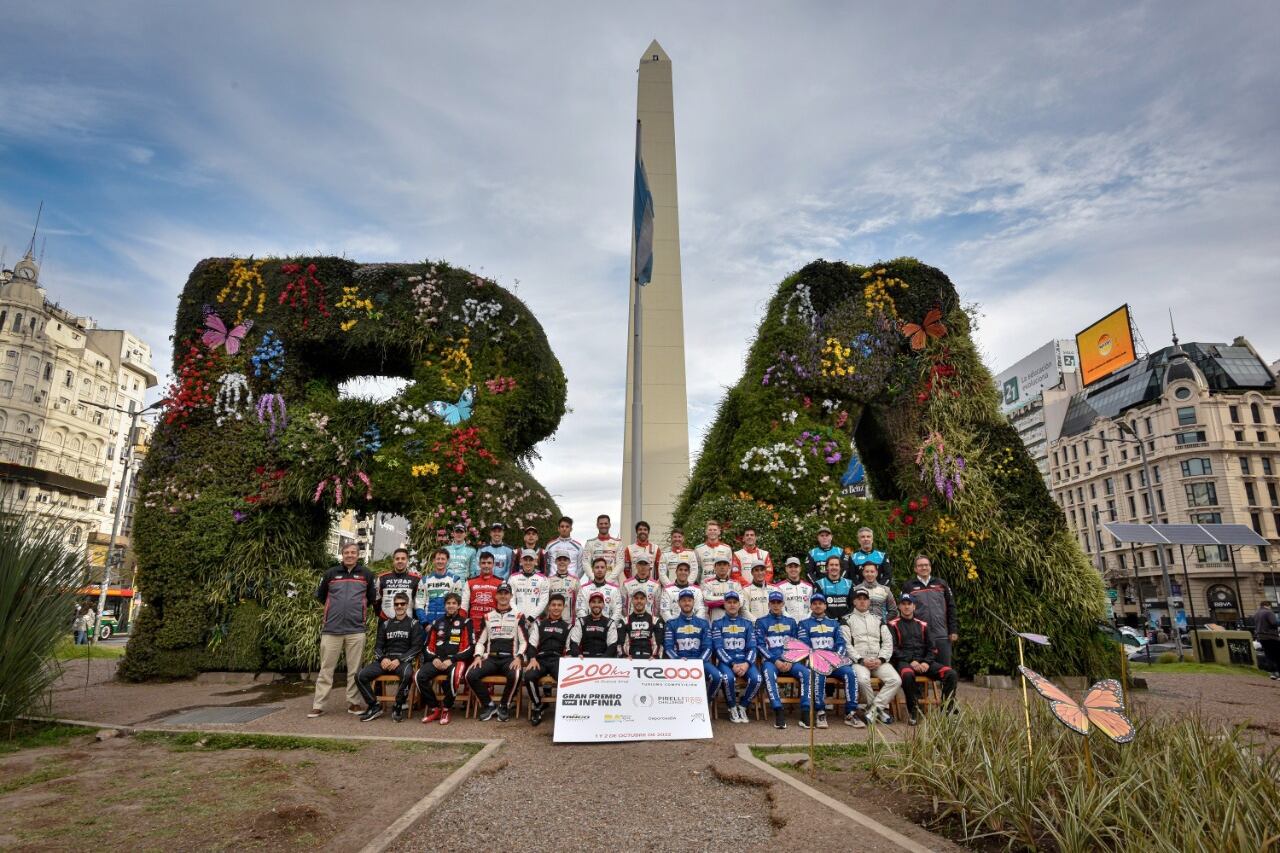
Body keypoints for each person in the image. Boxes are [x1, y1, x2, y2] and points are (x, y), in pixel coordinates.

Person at [310, 543, 377, 718]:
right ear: (342, 554)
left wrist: (357, 611)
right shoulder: (331, 573)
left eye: (353, 552)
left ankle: (353, 704)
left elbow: (370, 599)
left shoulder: (367, 575)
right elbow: (321, 596)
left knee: (354, 670)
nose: (349, 555)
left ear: (358, 555)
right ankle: (318, 705)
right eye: (346, 552)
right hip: (331, 629)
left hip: (356, 629)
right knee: (326, 669)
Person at [889, 593, 957, 724]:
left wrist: (926, 662)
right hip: (904, 662)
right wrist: (910, 661)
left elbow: (932, 648)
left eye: (909, 604)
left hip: (925, 662)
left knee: (951, 674)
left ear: (914, 607)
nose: (907, 607)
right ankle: (914, 711)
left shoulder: (923, 625)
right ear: (899, 606)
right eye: (904, 604)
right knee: (907, 675)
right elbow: (893, 649)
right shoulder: (892, 625)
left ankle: (947, 710)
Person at [356, 593, 423, 722]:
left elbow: (416, 648)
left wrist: (400, 660)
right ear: (393, 605)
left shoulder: (414, 624)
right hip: (385, 661)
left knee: (408, 674)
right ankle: (374, 705)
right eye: (396, 604)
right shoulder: (385, 624)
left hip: (402, 661)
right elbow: (378, 647)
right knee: (360, 675)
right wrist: (383, 659)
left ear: (407, 605)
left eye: (402, 604)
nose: (399, 606)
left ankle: (398, 705)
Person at [466, 583, 529, 722]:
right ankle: (488, 705)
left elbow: (524, 642)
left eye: (506, 593)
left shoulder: (519, 616)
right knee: (470, 674)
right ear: (496, 595)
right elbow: (481, 642)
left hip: (510, 659)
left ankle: (504, 705)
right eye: (500, 593)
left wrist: (519, 657)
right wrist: (477, 657)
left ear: (511, 596)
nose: (503, 596)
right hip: (491, 659)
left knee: (517, 674)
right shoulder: (487, 616)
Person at [798, 593, 860, 728]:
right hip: (816, 662)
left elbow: (841, 644)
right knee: (819, 673)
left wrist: (834, 659)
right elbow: (805, 647)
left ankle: (851, 712)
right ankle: (820, 711)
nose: (818, 606)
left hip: (834, 662)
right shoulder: (804, 624)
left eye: (820, 603)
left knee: (850, 673)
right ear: (811, 606)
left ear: (825, 606)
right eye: (815, 603)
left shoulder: (834, 623)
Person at [843, 588, 900, 725]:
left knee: (896, 680)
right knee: (862, 680)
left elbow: (888, 642)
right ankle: (876, 711)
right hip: (859, 661)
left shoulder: (879, 620)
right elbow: (846, 645)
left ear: (869, 602)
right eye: (859, 599)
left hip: (878, 660)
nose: (862, 602)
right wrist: (861, 660)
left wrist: (881, 659)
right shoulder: (846, 620)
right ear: (854, 602)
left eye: (865, 599)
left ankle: (874, 709)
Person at [418, 592, 472, 725]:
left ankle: (446, 708)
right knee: (418, 676)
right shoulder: (437, 623)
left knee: (455, 675)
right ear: (444, 606)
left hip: (455, 661)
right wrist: (434, 658)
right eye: (448, 603)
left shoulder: (466, 622)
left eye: (454, 603)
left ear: (459, 605)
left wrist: (452, 660)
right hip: (437, 660)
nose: (451, 606)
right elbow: (426, 646)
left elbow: (470, 648)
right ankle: (435, 708)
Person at [756, 590, 808, 729]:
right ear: (769, 604)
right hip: (772, 662)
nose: (776, 605)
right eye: (773, 602)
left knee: (807, 673)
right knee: (767, 673)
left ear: (783, 604)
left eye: (778, 602)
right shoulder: (761, 622)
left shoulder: (791, 622)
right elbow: (760, 646)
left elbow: (798, 645)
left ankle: (805, 711)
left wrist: (790, 660)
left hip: (790, 661)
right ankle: (778, 710)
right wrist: (775, 661)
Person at [899, 555, 958, 666]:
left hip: (941, 634)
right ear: (915, 569)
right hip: (919, 636)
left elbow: (951, 607)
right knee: (921, 670)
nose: (924, 568)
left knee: (945, 670)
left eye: (926, 565)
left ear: (930, 567)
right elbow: (903, 610)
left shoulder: (941, 584)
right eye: (920, 565)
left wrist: (953, 630)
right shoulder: (908, 586)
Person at [712, 591, 761, 723]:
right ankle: (732, 707)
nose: (732, 605)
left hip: (745, 661)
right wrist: (732, 664)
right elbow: (718, 648)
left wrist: (746, 664)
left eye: (735, 602)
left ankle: (743, 706)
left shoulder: (748, 624)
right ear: (724, 604)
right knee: (727, 679)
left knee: (757, 678)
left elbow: (752, 647)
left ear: (739, 604)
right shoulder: (717, 624)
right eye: (729, 602)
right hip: (726, 662)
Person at [663, 589, 721, 700]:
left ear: (693, 602)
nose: (687, 603)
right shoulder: (671, 624)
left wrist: (699, 661)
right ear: (679, 603)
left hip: (700, 661)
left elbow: (708, 647)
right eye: (683, 600)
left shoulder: (703, 623)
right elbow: (668, 648)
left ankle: (706, 702)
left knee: (717, 677)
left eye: (689, 600)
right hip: (679, 662)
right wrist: (678, 660)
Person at [523, 593, 570, 725]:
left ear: (563, 607)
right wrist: (532, 659)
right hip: (541, 660)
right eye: (553, 605)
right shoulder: (540, 624)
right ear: (549, 607)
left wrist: (567, 659)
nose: (556, 608)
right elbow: (532, 644)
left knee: (567, 678)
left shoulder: (568, 627)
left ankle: (564, 709)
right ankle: (538, 706)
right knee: (529, 676)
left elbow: (570, 648)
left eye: (559, 605)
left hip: (558, 660)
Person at [419, 547, 464, 626]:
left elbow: (457, 604)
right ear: (433, 561)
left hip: (448, 623)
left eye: (443, 559)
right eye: (438, 559)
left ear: (447, 561)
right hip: (428, 622)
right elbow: (419, 604)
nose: (440, 561)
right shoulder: (424, 580)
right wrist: (425, 623)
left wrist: (452, 622)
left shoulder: (455, 580)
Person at [461, 552, 503, 637]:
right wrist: (462, 623)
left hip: (493, 624)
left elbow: (504, 606)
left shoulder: (501, 582)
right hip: (474, 625)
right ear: (479, 564)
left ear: (493, 564)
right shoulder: (469, 582)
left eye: (489, 563)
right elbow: (464, 606)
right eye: (483, 563)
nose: (486, 565)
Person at [376, 547, 423, 622]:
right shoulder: (382, 578)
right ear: (393, 560)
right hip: (385, 621)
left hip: (408, 622)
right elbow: (377, 600)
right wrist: (381, 615)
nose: (400, 561)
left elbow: (419, 602)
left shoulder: (416, 579)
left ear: (407, 560)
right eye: (397, 559)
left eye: (403, 559)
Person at [568, 592, 619, 656]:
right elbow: (574, 642)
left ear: (603, 605)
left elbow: (612, 645)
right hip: (584, 659)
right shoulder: (581, 621)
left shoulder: (609, 623)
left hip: (603, 660)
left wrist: (603, 659)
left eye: (599, 602)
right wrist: (577, 655)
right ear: (589, 604)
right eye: (593, 602)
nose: (596, 605)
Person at [581, 514, 625, 584]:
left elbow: (620, 564)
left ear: (609, 525)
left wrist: (608, 581)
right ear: (597, 525)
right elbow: (585, 563)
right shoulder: (590, 543)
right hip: (594, 583)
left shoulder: (617, 543)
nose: (603, 526)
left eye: (605, 523)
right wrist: (594, 579)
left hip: (612, 583)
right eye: (601, 524)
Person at [509, 550, 549, 624]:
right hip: (517, 619)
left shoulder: (543, 579)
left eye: (531, 560)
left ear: (535, 561)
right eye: (525, 560)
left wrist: (531, 618)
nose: (528, 562)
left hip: (535, 620)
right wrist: (519, 617)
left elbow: (543, 601)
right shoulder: (513, 578)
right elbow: (511, 599)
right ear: (521, 561)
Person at [619, 590, 662, 659]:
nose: (639, 601)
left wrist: (655, 657)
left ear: (646, 601)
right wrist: (624, 656)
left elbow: (660, 643)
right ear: (632, 601)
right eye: (636, 598)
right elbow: (620, 643)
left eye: (642, 598)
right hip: (630, 660)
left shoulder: (655, 621)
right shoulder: (624, 621)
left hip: (650, 659)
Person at [577, 557, 621, 623]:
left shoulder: (614, 589)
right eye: (597, 567)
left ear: (606, 569)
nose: (600, 570)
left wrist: (609, 626)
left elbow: (617, 611)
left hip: (607, 628)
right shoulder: (584, 588)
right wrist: (587, 625)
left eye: (602, 567)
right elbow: (580, 609)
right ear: (592, 569)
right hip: (588, 627)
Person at [773, 557, 815, 623]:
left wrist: (806, 619)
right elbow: (780, 607)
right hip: (787, 623)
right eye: (790, 567)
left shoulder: (809, 587)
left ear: (800, 569)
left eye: (796, 566)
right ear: (786, 569)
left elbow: (812, 607)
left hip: (806, 623)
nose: (793, 569)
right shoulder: (779, 587)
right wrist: (790, 620)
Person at [815, 555, 853, 621]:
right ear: (827, 567)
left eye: (836, 565)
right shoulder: (820, 583)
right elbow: (819, 605)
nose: (834, 567)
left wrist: (845, 618)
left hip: (845, 621)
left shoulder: (848, 583)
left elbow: (853, 605)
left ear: (840, 567)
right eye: (831, 565)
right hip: (826, 621)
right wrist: (829, 619)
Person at [547, 553, 579, 623]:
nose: (562, 562)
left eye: (565, 560)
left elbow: (579, 601)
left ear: (569, 562)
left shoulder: (575, 580)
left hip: (569, 621)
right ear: (555, 562)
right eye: (559, 560)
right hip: (551, 620)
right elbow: (545, 602)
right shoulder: (548, 580)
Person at [1253, 600, 1280, 680]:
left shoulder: (1256, 614)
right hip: (1271, 636)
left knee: (1268, 655)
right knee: (1278, 655)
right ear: (1268, 605)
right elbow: (1274, 623)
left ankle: (1273, 673)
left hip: (1261, 637)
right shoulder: (1268, 612)